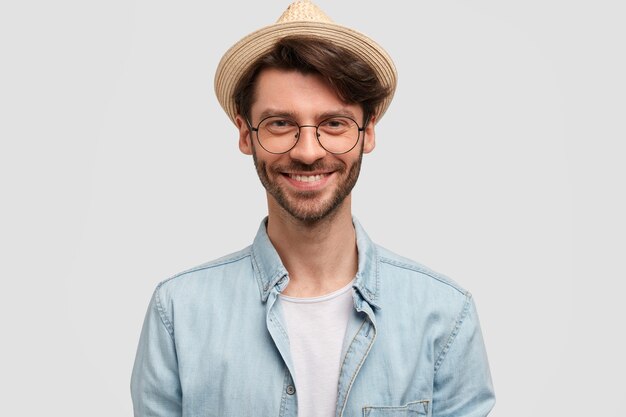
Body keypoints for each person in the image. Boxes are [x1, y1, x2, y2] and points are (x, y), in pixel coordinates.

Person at [130, 1, 495, 416]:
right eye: (280, 123)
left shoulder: (444, 316)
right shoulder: (178, 312)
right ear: (246, 134)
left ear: (368, 131)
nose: (307, 152)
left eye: (333, 124)